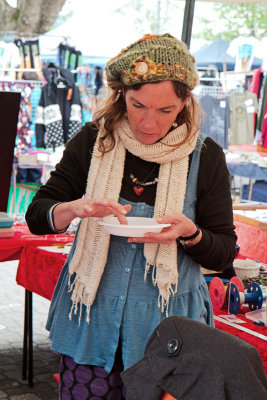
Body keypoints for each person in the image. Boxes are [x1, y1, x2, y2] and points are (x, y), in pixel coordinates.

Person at [25, 33, 237, 400]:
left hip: (169, 334)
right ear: (122, 93)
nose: (149, 123)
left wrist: (189, 234)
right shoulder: (94, 141)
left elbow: (223, 253)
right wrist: (75, 208)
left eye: (165, 110)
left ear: (185, 101)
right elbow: (37, 216)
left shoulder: (206, 157)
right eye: (138, 105)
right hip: (91, 321)